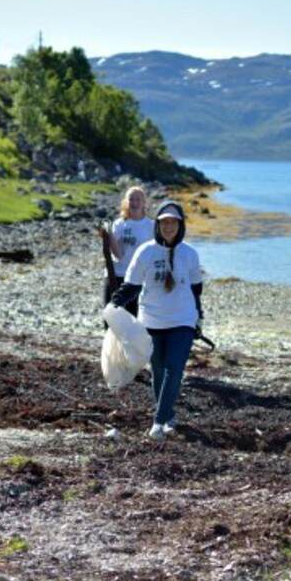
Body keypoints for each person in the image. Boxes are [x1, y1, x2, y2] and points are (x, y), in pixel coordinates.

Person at [111, 200, 203, 441]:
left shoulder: (190, 254)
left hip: (183, 319)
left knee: (175, 369)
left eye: (174, 222)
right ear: (158, 225)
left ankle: (159, 422)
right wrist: (115, 303)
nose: (169, 226)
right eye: (164, 222)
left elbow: (196, 291)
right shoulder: (146, 251)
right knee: (159, 370)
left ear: (180, 225)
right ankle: (168, 415)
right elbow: (131, 285)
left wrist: (198, 318)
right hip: (151, 320)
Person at [102, 186, 154, 317]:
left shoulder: (151, 226)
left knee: (135, 318)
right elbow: (117, 254)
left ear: (144, 203)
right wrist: (108, 235)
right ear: (126, 202)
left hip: (139, 278)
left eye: (138, 199)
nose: (135, 203)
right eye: (131, 199)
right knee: (111, 316)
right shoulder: (120, 224)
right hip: (117, 275)